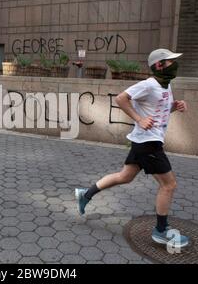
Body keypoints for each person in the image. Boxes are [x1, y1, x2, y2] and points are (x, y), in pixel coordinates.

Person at [75, 48, 190, 248]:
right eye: (171, 61)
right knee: (169, 185)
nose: (175, 64)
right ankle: (161, 231)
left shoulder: (166, 85)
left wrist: (175, 106)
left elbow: (160, 109)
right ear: (159, 65)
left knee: (124, 176)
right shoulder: (148, 85)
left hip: (144, 141)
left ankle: (85, 194)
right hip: (149, 143)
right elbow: (121, 98)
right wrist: (139, 118)